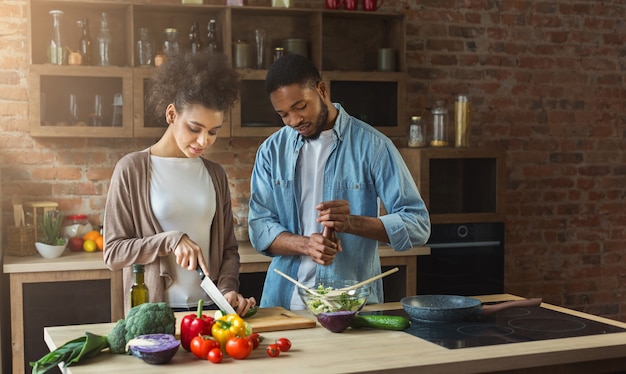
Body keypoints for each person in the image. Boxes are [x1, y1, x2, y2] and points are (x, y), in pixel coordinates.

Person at [248, 54, 431, 310]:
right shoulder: (271, 151)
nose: (294, 121)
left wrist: (352, 223)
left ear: (322, 90)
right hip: (283, 307)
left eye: (300, 107)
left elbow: (419, 226)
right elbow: (258, 228)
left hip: (351, 307)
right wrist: (307, 245)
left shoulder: (374, 146)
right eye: (283, 115)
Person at [103, 51, 256, 316]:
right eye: (194, 128)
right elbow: (114, 254)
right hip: (154, 315)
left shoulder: (215, 175)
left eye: (213, 132)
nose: (203, 141)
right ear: (171, 113)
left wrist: (229, 288)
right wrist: (171, 240)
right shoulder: (131, 170)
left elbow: (229, 249)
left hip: (210, 311)